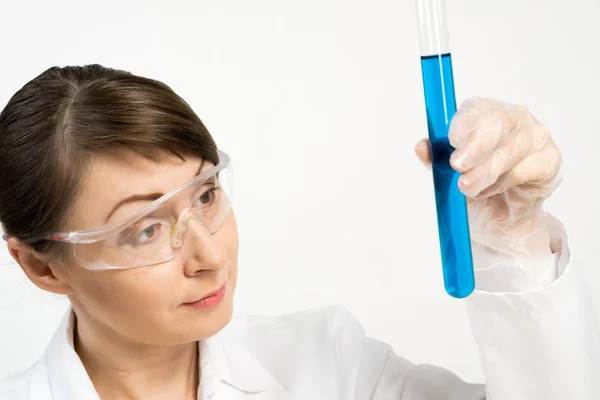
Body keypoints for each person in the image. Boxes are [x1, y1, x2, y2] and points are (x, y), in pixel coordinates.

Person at [0, 64, 596, 400]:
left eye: (207, 195)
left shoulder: (325, 366)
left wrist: (515, 241)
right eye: (143, 231)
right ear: (41, 266)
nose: (209, 255)